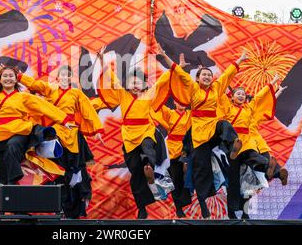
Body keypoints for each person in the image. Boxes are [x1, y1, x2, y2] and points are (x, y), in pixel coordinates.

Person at [0, 48, 73, 217]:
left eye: (10, 76)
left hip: (20, 132)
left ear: (15, 80)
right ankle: (0, 210)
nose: (7, 78)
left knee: (13, 147)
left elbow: (43, 106)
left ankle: (14, 182)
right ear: (0, 79)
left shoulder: (23, 97)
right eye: (4, 76)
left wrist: (63, 119)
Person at [155, 44, 247, 218]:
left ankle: (233, 145)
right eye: (204, 75)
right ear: (197, 78)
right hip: (198, 133)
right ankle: (203, 203)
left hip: (213, 128)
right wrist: (165, 56)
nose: (207, 77)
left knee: (225, 125)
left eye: (209, 75)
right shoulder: (192, 87)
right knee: (200, 170)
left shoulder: (216, 87)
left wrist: (240, 60)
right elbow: (179, 73)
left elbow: (227, 74)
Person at [18, 65, 104, 218]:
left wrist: (97, 130)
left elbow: (88, 110)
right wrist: (19, 76)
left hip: (72, 132)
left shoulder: (76, 93)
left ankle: (77, 201)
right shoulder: (51, 89)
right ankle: (62, 206)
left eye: (68, 75)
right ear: (58, 77)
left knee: (76, 168)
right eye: (62, 75)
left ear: (71, 78)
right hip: (55, 133)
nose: (65, 77)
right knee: (59, 171)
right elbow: (35, 84)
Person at [95, 46, 171, 219]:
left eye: (139, 81)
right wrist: (101, 60)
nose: (136, 84)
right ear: (127, 84)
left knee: (147, 146)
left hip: (146, 130)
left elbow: (162, 81)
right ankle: (142, 207)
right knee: (136, 172)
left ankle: (150, 165)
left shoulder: (149, 94)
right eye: (132, 81)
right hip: (129, 136)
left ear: (144, 84)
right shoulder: (122, 95)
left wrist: (174, 67)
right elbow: (110, 77)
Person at [220, 75, 287, 219]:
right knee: (234, 180)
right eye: (238, 93)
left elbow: (259, 98)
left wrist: (273, 83)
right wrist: (223, 85)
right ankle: (232, 212)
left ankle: (275, 171)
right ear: (232, 97)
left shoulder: (249, 111)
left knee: (251, 179)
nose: (242, 96)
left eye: (243, 94)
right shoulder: (228, 107)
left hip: (247, 144)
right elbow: (219, 94)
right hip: (233, 144)